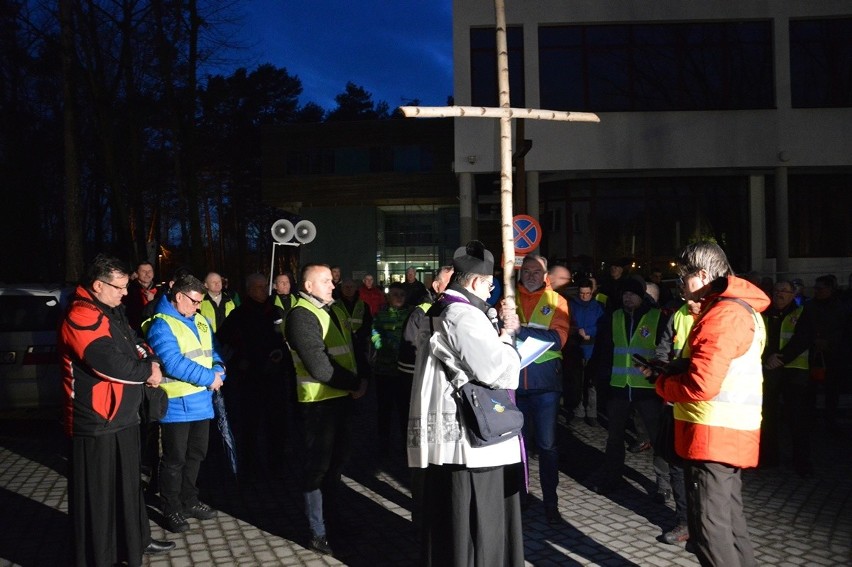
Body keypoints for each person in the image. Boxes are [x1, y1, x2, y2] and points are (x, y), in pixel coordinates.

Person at [408, 241, 524, 566]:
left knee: (452, 518)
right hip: (470, 436)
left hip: (452, 432)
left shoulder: (442, 307)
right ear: (474, 282)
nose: (490, 292)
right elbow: (491, 370)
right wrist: (511, 343)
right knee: (478, 522)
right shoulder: (463, 315)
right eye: (489, 285)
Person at [655, 241, 769, 567]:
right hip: (727, 435)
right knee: (730, 525)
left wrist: (663, 384)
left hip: (712, 436)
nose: (680, 285)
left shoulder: (724, 314)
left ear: (703, 275)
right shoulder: (737, 310)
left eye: (684, 277)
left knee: (709, 530)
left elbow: (702, 384)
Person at [59, 253, 174, 566]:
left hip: (124, 416)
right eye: (120, 287)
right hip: (96, 422)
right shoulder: (81, 314)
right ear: (98, 285)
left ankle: (136, 542)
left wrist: (152, 361)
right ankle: (101, 557)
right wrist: (147, 372)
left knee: (128, 488)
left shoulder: (113, 310)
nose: (126, 293)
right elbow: (106, 363)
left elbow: (137, 343)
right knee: (99, 497)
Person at [286, 264, 367, 556]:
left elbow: (352, 347)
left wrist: (361, 378)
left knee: (335, 467)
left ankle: (334, 521)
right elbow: (319, 367)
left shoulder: (335, 309)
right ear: (308, 287)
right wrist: (355, 383)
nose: (332, 285)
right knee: (317, 469)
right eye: (324, 281)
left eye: (331, 280)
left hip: (341, 399)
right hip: (318, 403)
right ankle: (317, 532)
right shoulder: (301, 315)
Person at [143, 274, 225, 533]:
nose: (198, 306)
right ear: (178, 297)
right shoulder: (161, 324)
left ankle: (189, 499)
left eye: (200, 302)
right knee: (174, 460)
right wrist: (210, 378)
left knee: (196, 455)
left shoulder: (199, 320)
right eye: (194, 301)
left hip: (201, 402)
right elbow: (173, 363)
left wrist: (220, 368)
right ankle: (171, 508)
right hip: (176, 405)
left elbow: (213, 350)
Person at [502, 254, 569, 524]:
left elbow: (558, 339)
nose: (530, 274)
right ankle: (520, 497)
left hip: (545, 388)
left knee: (547, 446)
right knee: (518, 447)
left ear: (545, 275)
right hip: (514, 386)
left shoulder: (557, 301)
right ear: (519, 273)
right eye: (526, 270)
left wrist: (522, 330)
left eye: (536, 271)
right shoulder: (508, 300)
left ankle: (551, 503)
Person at [589, 275, 669, 499]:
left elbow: (665, 352)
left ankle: (663, 484)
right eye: (624, 293)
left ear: (641, 295)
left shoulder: (657, 317)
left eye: (632, 293)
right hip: (619, 388)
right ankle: (611, 479)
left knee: (657, 438)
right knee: (614, 438)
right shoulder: (613, 317)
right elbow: (604, 351)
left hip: (648, 389)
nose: (628, 297)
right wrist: (597, 376)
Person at [217, 273, 290, 478]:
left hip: (274, 376)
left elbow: (284, 338)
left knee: (276, 424)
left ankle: (277, 465)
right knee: (250, 425)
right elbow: (222, 341)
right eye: (258, 286)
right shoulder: (239, 314)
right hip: (249, 379)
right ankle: (249, 468)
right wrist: (239, 361)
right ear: (249, 289)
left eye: (265, 286)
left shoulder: (275, 311)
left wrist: (280, 353)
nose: (262, 290)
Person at [760, 280, 814, 477]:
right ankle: (768, 458)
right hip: (770, 370)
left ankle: (801, 462)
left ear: (793, 294)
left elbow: (803, 339)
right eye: (776, 291)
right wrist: (768, 358)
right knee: (768, 417)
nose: (779, 294)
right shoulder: (764, 314)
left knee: (797, 419)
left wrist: (780, 358)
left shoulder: (802, 313)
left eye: (784, 291)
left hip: (794, 372)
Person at [370, 282, 412, 457]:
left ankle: (407, 446)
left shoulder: (410, 314)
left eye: (401, 294)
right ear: (388, 296)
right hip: (384, 370)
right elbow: (374, 332)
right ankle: (383, 446)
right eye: (394, 294)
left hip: (404, 371)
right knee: (384, 410)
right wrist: (380, 345)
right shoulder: (381, 314)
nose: (398, 298)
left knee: (405, 411)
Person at [569, 279, 605, 426]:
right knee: (577, 383)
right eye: (582, 294)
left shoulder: (598, 307)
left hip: (592, 349)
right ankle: (578, 412)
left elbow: (602, 325)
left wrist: (589, 332)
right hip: (576, 348)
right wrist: (577, 332)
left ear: (592, 293)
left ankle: (592, 413)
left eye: (587, 294)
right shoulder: (572, 306)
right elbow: (566, 323)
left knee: (591, 384)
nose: (584, 296)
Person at [124, 261, 158, 333]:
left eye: (150, 271)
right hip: (135, 330)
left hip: (155, 328)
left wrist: (154, 300)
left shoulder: (161, 290)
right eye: (143, 271)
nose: (147, 274)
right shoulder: (128, 290)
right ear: (136, 274)